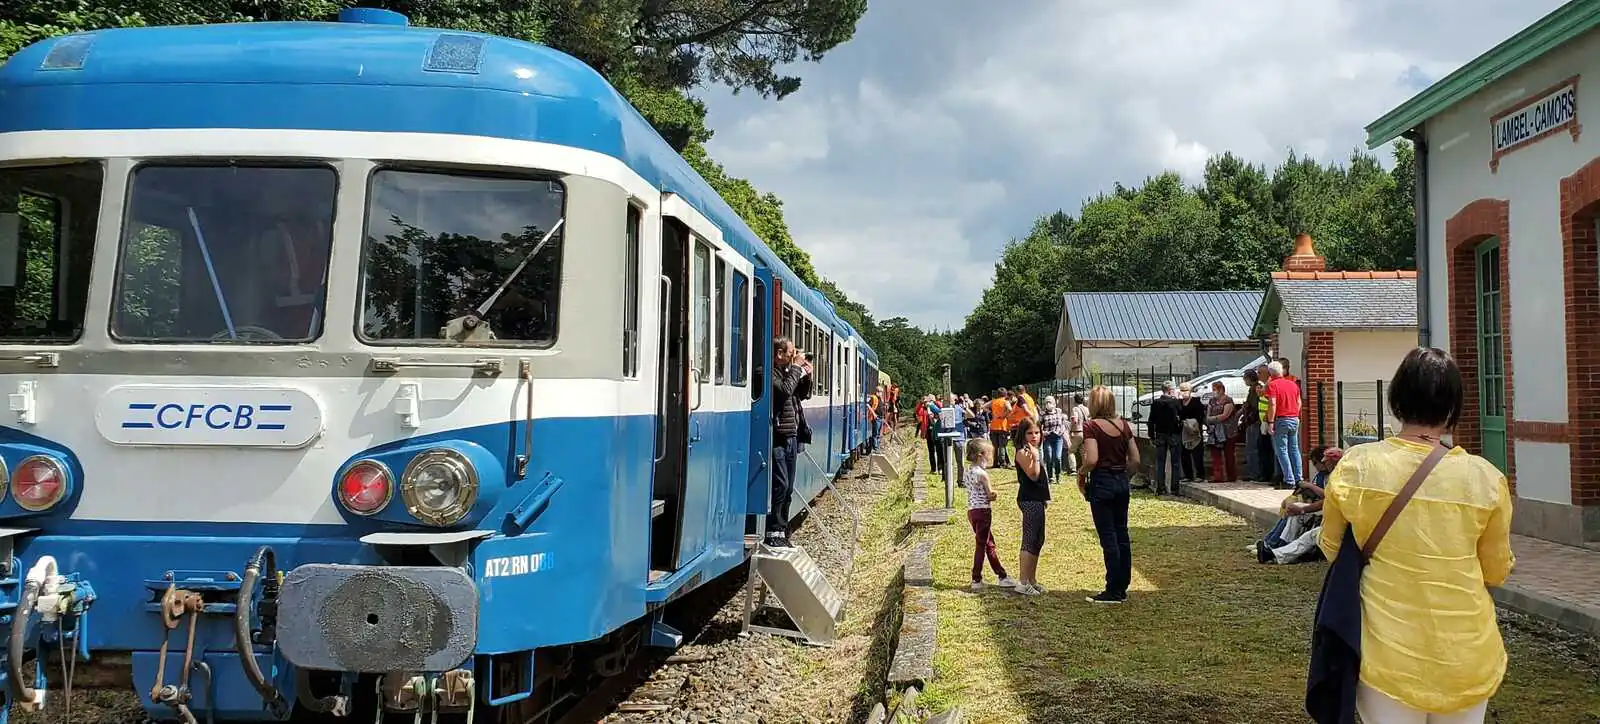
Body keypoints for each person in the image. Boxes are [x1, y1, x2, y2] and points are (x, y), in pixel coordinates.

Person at [1317, 347, 1513, 723]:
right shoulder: (1485, 478)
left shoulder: (1358, 467)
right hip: (1467, 650)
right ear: (1454, 407)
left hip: (1385, 649)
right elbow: (1496, 569)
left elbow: (1330, 545)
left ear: (1396, 400)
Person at [1078, 386, 1139, 604]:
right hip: (1121, 480)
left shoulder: (1091, 426)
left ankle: (1112, 588)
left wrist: (1081, 473)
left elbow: (1092, 459)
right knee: (1122, 533)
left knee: (1108, 535)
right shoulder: (1124, 425)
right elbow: (1135, 460)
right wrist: (1124, 476)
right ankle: (1122, 585)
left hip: (1102, 481)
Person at [768, 337, 811, 547]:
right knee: (781, 484)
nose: (793, 357)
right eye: (790, 353)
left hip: (792, 435)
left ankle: (782, 531)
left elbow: (802, 395)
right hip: (778, 436)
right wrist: (795, 369)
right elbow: (784, 392)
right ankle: (774, 530)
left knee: (789, 488)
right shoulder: (769, 372)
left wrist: (806, 376)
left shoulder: (788, 373)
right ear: (779, 354)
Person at [963, 439, 1018, 591]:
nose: (990, 457)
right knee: (983, 545)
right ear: (981, 455)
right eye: (989, 454)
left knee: (988, 544)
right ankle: (977, 578)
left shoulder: (969, 471)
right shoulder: (983, 474)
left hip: (972, 511)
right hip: (983, 511)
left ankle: (1002, 575)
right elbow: (989, 495)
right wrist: (994, 494)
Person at [1012, 417, 1050, 596]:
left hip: (1038, 499)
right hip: (1029, 500)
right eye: (1030, 433)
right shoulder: (1023, 452)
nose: (1034, 436)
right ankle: (1022, 581)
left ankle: (1032, 579)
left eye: (1037, 432)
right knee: (1029, 539)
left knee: (1038, 539)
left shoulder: (1034, 450)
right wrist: (1035, 459)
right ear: (1023, 435)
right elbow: (1033, 475)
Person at [1264, 361, 1304, 490]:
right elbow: (1299, 403)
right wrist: (1295, 415)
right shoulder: (1293, 384)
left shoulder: (1272, 385)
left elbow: (1272, 404)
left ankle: (1289, 479)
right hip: (1294, 418)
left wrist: (1270, 422)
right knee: (1294, 449)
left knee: (1282, 450)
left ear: (1270, 373)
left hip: (1281, 419)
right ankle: (1299, 478)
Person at [1148, 382, 1183, 495]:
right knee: (1175, 463)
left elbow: (1151, 421)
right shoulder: (1175, 403)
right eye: (1174, 389)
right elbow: (1181, 416)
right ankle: (1175, 488)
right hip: (1173, 434)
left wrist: (1151, 436)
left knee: (1160, 462)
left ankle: (1160, 488)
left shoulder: (1156, 403)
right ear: (1169, 390)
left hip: (1160, 434)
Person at [1205, 380, 1239, 482]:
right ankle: (1218, 477)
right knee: (1215, 455)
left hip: (1228, 431)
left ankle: (1231, 476)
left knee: (1229, 455)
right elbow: (1208, 414)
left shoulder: (1228, 401)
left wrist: (1213, 418)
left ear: (1221, 390)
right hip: (1215, 432)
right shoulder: (1212, 401)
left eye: (1214, 390)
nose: (1213, 392)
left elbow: (1225, 415)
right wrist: (1211, 419)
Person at [1178, 382, 1207, 483]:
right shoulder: (1179, 402)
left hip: (1195, 431)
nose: (1184, 393)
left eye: (1186, 391)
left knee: (1197, 453)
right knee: (1184, 453)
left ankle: (1200, 475)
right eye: (1182, 391)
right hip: (1184, 431)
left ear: (1190, 391)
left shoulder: (1196, 402)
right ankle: (1188, 475)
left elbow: (1201, 415)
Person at [1240, 369, 1263, 481]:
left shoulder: (1255, 388)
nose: (1244, 381)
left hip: (1254, 421)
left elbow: (1254, 405)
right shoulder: (1253, 388)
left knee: (1252, 448)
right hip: (1254, 421)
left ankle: (1255, 473)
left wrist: (1246, 409)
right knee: (1252, 448)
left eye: (1245, 378)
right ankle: (1254, 472)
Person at [1039, 396, 1068, 484]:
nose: (1048, 404)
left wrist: (1061, 432)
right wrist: (1044, 432)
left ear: (1054, 404)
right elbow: (1038, 427)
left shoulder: (1060, 414)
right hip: (1048, 438)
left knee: (1057, 457)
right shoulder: (1043, 416)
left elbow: (1063, 425)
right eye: (1047, 403)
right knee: (1049, 457)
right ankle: (1050, 477)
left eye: (1050, 402)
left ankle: (1058, 475)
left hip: (1058, 438)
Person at [987, 390, 1012, 468]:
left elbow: (983, 406)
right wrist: (1004, 415)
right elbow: (1010, 409)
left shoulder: (993, 401)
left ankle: (995, 463)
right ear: (1005, 394)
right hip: (1002, 426)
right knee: (1002, 445)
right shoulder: (1005, 401)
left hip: (993, 426)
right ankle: (1002, 463)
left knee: (995, 446)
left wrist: (991, 412)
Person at [1067, 393, 1089, 475]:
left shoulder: (1075, 409)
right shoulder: (1086, 409)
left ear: (1074, 400)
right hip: (1085, 432)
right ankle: (1086, 468)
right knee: (1083, 451)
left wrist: (1070, 429)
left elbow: (1074, 420)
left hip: (1077, 432)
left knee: (1071, 451)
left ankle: (1073, 469)